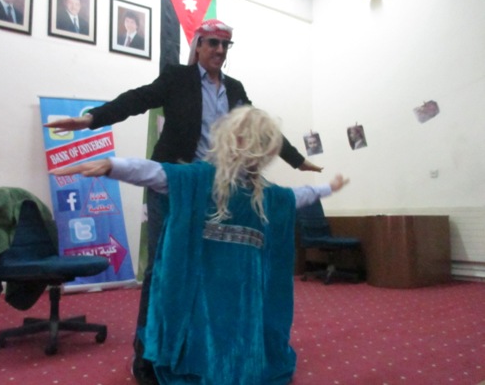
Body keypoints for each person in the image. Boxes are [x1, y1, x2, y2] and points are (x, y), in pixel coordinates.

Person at [44, 19, 322, 385]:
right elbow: (137, 99)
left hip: (215, 192)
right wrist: (91, 119)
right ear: (198, 45)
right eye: (212, 43)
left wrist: (297, 160)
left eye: (225, 45)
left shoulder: (235, 89)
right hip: (174, 185)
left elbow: (261, 129)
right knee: (162, 267)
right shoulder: (178, 78)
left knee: (205, 269)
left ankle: (197, 347)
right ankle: (147, 351)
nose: (219, 50)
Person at [50, 106, 349, 385]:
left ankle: (236, 365)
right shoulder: (201, 179)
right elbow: (154, 172)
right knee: (204, 334)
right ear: (234, 139)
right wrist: (111, 165)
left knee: (237, 338)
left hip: (243, 292)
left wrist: (327, 188)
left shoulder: (267, 196)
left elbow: (299, 196)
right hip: (205, 287)